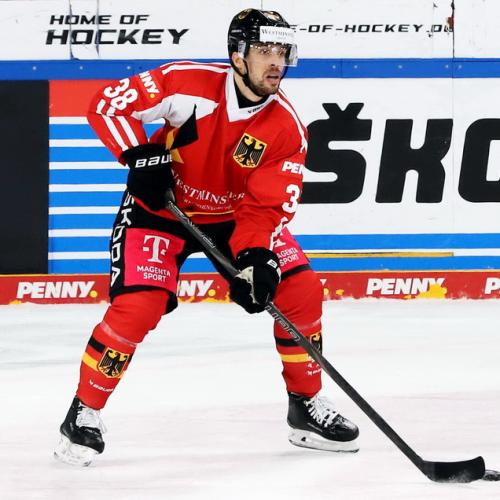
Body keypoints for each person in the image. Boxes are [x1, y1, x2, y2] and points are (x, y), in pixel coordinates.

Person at [54, 8, 359, 466]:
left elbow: (264, 209)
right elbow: (108, 104)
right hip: (159, 213)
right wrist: (139, 155)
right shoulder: (187, 82)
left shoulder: (286, 129)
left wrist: (257, 259)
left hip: (233, 219)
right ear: (237, 55)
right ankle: (84, 411)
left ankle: (305, 405)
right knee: (139, 305)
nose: (276, 62)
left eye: (282, 51)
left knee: (300, 290)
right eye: (264, 50)